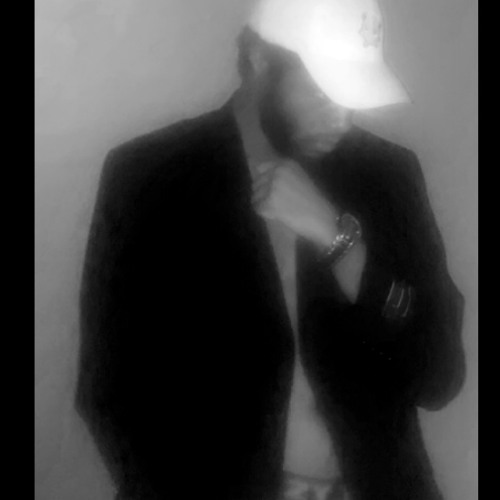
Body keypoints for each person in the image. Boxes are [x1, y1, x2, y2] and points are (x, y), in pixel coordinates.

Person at [75, 0, 466, 499]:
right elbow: (111, 388)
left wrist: (339, 241)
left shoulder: (389, 176)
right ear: (260, 57)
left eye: (353, 95)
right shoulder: (150, 178)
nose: (341, 117)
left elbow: (440, 374)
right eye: (324, 90)